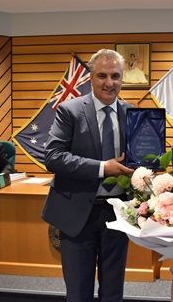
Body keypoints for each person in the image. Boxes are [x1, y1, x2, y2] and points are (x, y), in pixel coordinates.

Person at [41, 49, 135, 302]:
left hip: (118, 213)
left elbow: (140, 159)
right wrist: (103, 168)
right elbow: (53, 157)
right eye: (102, 75)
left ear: (122, 78)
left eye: (115, 76)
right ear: (91, 78)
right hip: (77, 213)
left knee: (114, 290)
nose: (109, 83)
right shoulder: (69, 111)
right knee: (79, 291)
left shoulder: (133, 113)